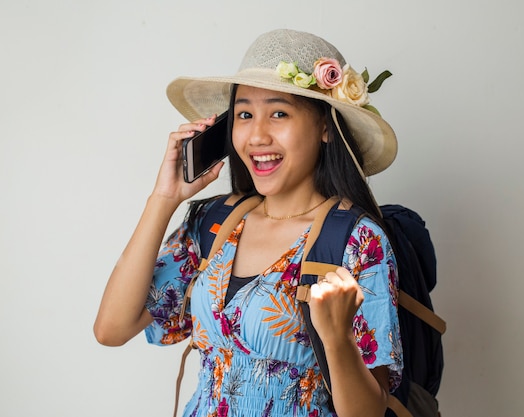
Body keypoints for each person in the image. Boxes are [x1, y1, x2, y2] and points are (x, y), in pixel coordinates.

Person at [94, 28, 402, 417]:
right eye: (244, 114)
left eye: (279, 113)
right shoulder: (214, 223)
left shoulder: (356, 241)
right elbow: (111, 329)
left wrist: (338, 337)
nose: (256, 135)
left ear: (326, 127)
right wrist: (164, 200)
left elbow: (367, 413)